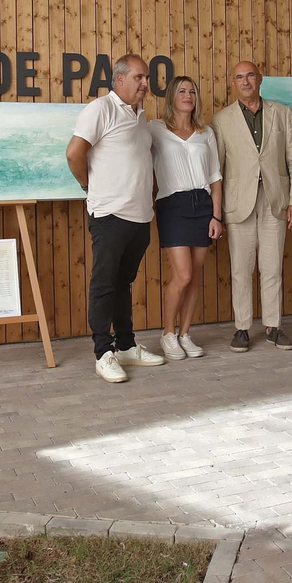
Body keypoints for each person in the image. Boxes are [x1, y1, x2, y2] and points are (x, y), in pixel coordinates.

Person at [66, 54, 168, 383]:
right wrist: (87, 186)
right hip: (109, 214)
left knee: (123, 284)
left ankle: (126, 345)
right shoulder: (100, 109)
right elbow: (74, 152)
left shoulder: (140, 116)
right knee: (104, 285)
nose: (145, 83)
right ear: (119, 79)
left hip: (139, 217)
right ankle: (102, 352)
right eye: (138, 77)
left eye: (146, 77)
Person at [213, 60, 292, 352]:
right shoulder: (222, 119)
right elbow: (217, 169)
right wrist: (215, 212)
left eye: (250, 75)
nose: (245, 81)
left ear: (260, 78)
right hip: (238, 202)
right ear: (233, 83)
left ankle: (274, 326)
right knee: (241, 269)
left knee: (272, 267)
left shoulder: (282, 113)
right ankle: (242, 328)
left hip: (275, 200)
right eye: (239, 77)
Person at [149, 76, 223, 360]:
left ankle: (185, 334)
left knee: (195, 278)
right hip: (172, 204)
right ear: (172, 96)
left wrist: (216, 216)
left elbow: (215, 177)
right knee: (184, 274)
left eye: (192, 91)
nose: (188, 95)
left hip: (203, 205)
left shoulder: (206, 133)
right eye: (182, 91)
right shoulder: (156, 128)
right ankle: (168, 334)